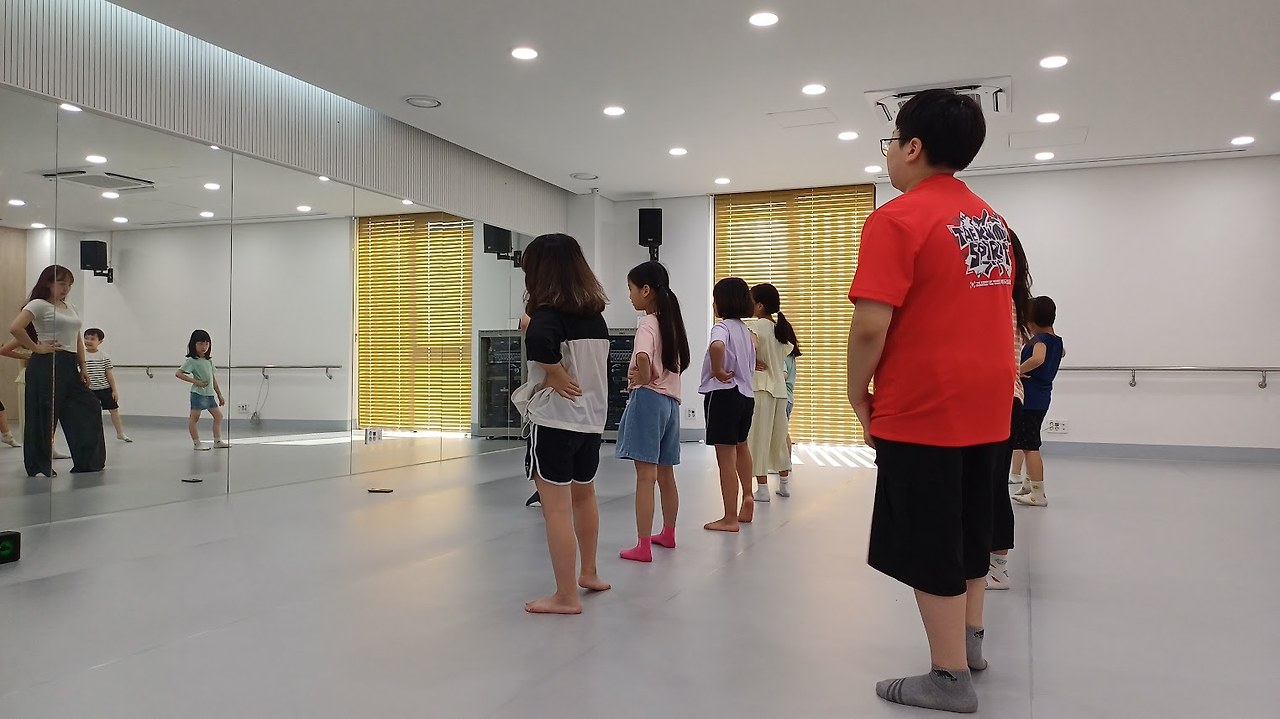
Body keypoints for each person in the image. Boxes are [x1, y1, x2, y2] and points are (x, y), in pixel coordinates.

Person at [846, 89, 1015, 713]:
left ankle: (948, 678)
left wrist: (855, 391)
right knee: (973, 525)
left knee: (929, 537)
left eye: (891, 141)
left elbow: (871, 325)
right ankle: (968, 645)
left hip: (926, 405)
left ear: (913, 147)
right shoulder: (990, 221)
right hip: (989, 402)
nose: (889, 152)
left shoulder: (897, 219)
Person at [511, 234, 611, 614]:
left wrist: (553, 373)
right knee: (585, 496)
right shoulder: (594, 316)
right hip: (590, 423)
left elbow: (539, 339)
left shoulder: (547, 315)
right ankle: (589, 572)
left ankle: (566, 595)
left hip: (555, 422)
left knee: (555, 509)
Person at [615, 261, 690, 562]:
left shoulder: (647, 323)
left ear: (646, 290)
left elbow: (643, 355)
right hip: (671, 403)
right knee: (665, 473)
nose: (630, 295)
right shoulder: (672, 324)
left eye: (631, 289)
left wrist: (644, 377)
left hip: (648, 400)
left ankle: (643, 545)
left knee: (645, 476)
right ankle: (668, 533)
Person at [7, 265, 107, 477]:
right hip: (46, 363)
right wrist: (36, 348)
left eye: (69, 284)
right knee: (44, 414)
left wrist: (83, 367)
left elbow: (77, 339)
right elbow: (15, 327)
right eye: (61, 283)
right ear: (48, 283)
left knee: (89, 406)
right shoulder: (38, 304)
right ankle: (38, 464)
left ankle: (88, 461)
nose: (66, 288)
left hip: (69, 364)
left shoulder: (71, 307)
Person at [987, 230, 1034, 590]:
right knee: (993, 484)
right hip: (1009, 398)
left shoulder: (995, 299)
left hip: (993, 400)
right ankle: (996, 565)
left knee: (986, 486)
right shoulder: (1016, 299)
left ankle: (995, 567)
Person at [700, 277, 757, 533]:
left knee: (725, 458)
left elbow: (717, 346)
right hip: (746, 396)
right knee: (742, 446)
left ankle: (730, 517)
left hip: (724, 396)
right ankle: (748, 495)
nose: (713, 304)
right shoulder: (747, 332)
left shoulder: (721, 327)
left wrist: (717, 370)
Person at [1011, 296, 1064, 508]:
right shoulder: (1057, 341)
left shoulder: (1040, 340)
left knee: (1029, 446)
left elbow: (1038, 358)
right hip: (1042, 398)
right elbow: (1061, 354)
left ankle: (1037, 493)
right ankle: (1028, 484)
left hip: (1031, 400)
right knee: (1029, 442)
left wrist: (1017, 371)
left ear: (1031, 321)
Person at [745, 283, 794, 503]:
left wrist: (752, 362)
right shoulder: (780, 329)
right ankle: (783, 485)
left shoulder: (754, 327)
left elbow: (747, 351)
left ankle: (763, 489)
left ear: (760, 305)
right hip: (780, 391)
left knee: (758, 439)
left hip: (761, 389)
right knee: (778, 439)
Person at [175, 330, 229, 451]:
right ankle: (197, 443)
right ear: (193, 344)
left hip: (209, 394)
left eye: (206, 344)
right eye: (200, 344)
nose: (204, 347)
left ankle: (217, 441)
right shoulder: (191, 361)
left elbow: (212, 378)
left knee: (218, 416)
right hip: (198, 394)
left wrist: (219, 394)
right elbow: (178, 373)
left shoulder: (208, 361)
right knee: (194, 418)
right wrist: (196, 382)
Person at [83, 328, 132, 443]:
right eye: (86, 338)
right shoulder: (81, 355)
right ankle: (91, 434)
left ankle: (120, 433)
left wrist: (114, 390)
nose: (88, 341)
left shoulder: (104, 356)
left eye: (92, 339)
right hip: (89, 389)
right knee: (91, 412)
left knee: (114, 410)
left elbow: (109, 374)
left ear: (100, 341)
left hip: (104, 388)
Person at [778, 330, 802, 495]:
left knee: (780, 433)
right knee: (784, 432)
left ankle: (783, 465)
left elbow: (783, 375)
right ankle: (787, 463)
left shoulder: (783, 354)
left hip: (783, 397)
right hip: (789, 398)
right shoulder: (791, 355)